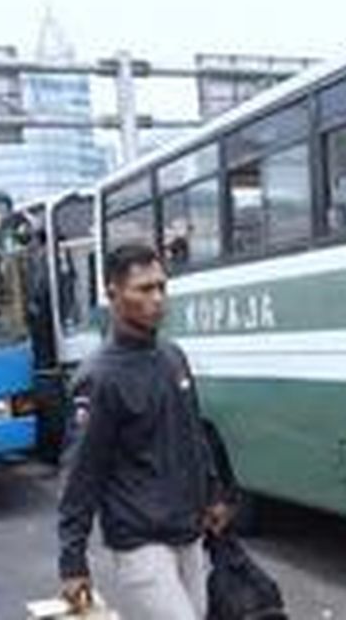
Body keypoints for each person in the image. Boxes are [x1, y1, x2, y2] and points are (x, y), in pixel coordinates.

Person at [58, 242, 231, 620]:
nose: (157, 299)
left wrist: (214, 492)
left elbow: (194, 436)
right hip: (139, 540)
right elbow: (80, 474)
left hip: (188, 529)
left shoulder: (173, 356)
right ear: (113, 294)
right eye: (144, 289)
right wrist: (72, 561)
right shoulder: (98, 378)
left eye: (161, 287)